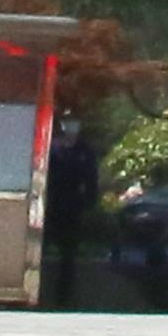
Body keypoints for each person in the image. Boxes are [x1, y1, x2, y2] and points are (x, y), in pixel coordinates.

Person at [39, 81, 109, 310]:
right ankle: (40, 294)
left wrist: (90, 203)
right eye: (68, 121)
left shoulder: (84, 150)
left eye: (75, 121)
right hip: (52, 204)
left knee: (68, 256)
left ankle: (64, 298)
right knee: (41, 248)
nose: (72, 126)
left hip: (73, 206)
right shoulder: (54, 147)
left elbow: (91, 178)